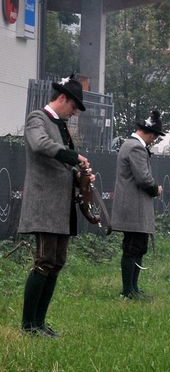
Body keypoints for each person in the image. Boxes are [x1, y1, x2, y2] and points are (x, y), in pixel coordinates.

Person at [19, 75, 93, 337]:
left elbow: (61, 166)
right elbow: (40, 144)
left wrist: (80, 176)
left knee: (57, 262)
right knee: (44, 262)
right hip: (44, 205)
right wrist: (74, 156)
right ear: (62, 98)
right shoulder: (37, 118)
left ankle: (39, 323)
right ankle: (28, 326)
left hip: (61, 207)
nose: (74, 113)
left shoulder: (60, 126)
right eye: (73, 107)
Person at [111, 111, 163, 299]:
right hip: (134, 206)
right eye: (155, 136)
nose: (154, 140)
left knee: (138, 247)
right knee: (132, 248)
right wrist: (156, 189)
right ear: (150, 134)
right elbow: (143, 178)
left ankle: (133, 288)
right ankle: (128, 291)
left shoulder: (130, 145)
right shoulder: (136, 147)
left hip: (134, 206)